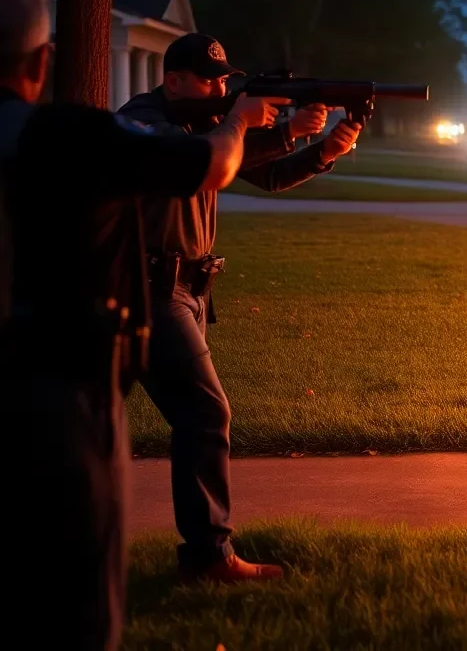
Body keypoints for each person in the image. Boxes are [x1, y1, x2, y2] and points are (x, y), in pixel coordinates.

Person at [0, 0, 279, 651]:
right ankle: (207, 553)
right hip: (55, 383)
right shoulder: (69, 134)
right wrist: (237, 122)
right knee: (75, 586)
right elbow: (211, 165)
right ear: (41, 63)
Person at [118, 33, 361, 583]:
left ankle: (203, 551)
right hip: (150, 289)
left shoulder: (205, 126)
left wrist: (318, 150)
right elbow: (198, 164)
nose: (221, 86)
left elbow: (264, 175)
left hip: (190, 289)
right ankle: (209, 557)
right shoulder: (143, 121)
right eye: (210, 79)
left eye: (226, 78)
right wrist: (249, 124)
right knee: (205, 414)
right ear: (174, 79)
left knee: (185, 416)